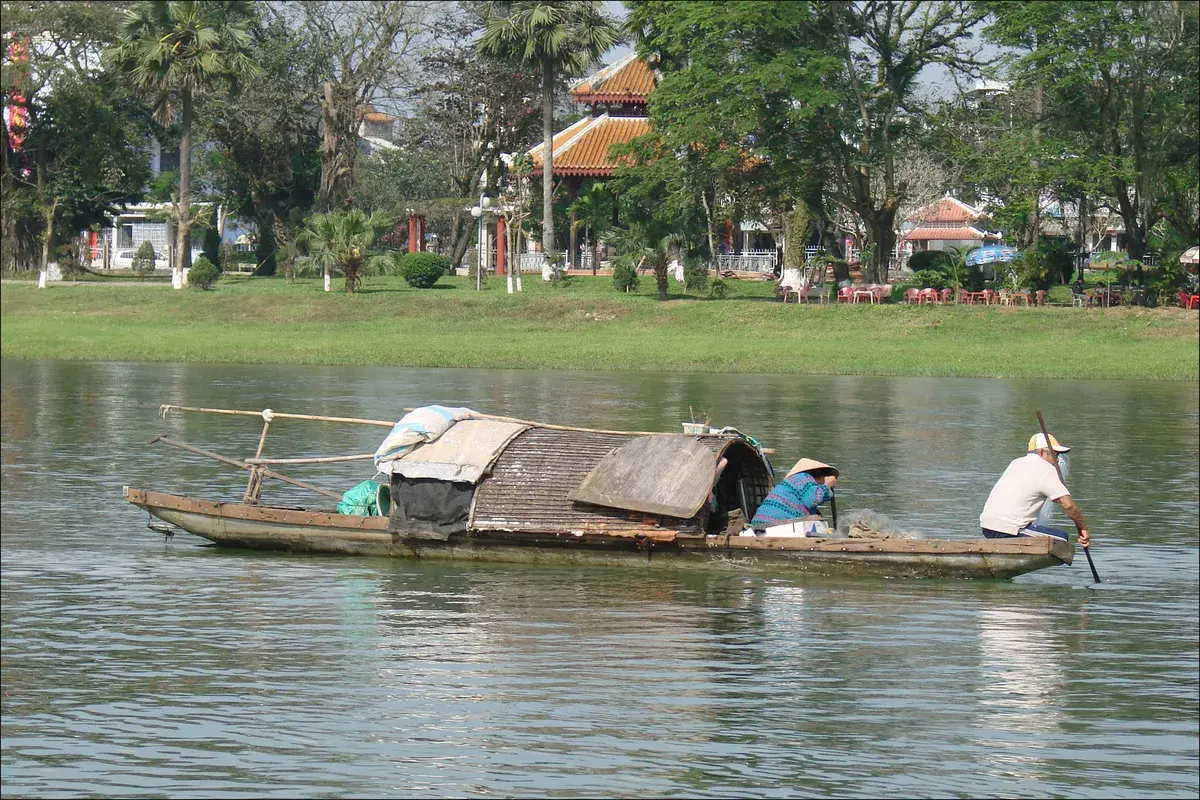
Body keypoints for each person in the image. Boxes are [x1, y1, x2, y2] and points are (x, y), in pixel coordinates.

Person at [979, 433, 1090, 547]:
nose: (1057, 460)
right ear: (1042, 452)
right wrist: (1082, 528)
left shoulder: (1016, 463)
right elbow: (1069, 506)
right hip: (1010, 530)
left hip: (987, 527)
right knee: (1062, 539)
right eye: (1055, 454)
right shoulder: (1046, 469)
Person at [752, 458, 837, 528]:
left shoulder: (793, 483)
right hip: (773, 524)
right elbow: (814, 499)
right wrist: (827, 485)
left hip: (760, 525)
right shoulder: (803, 477)